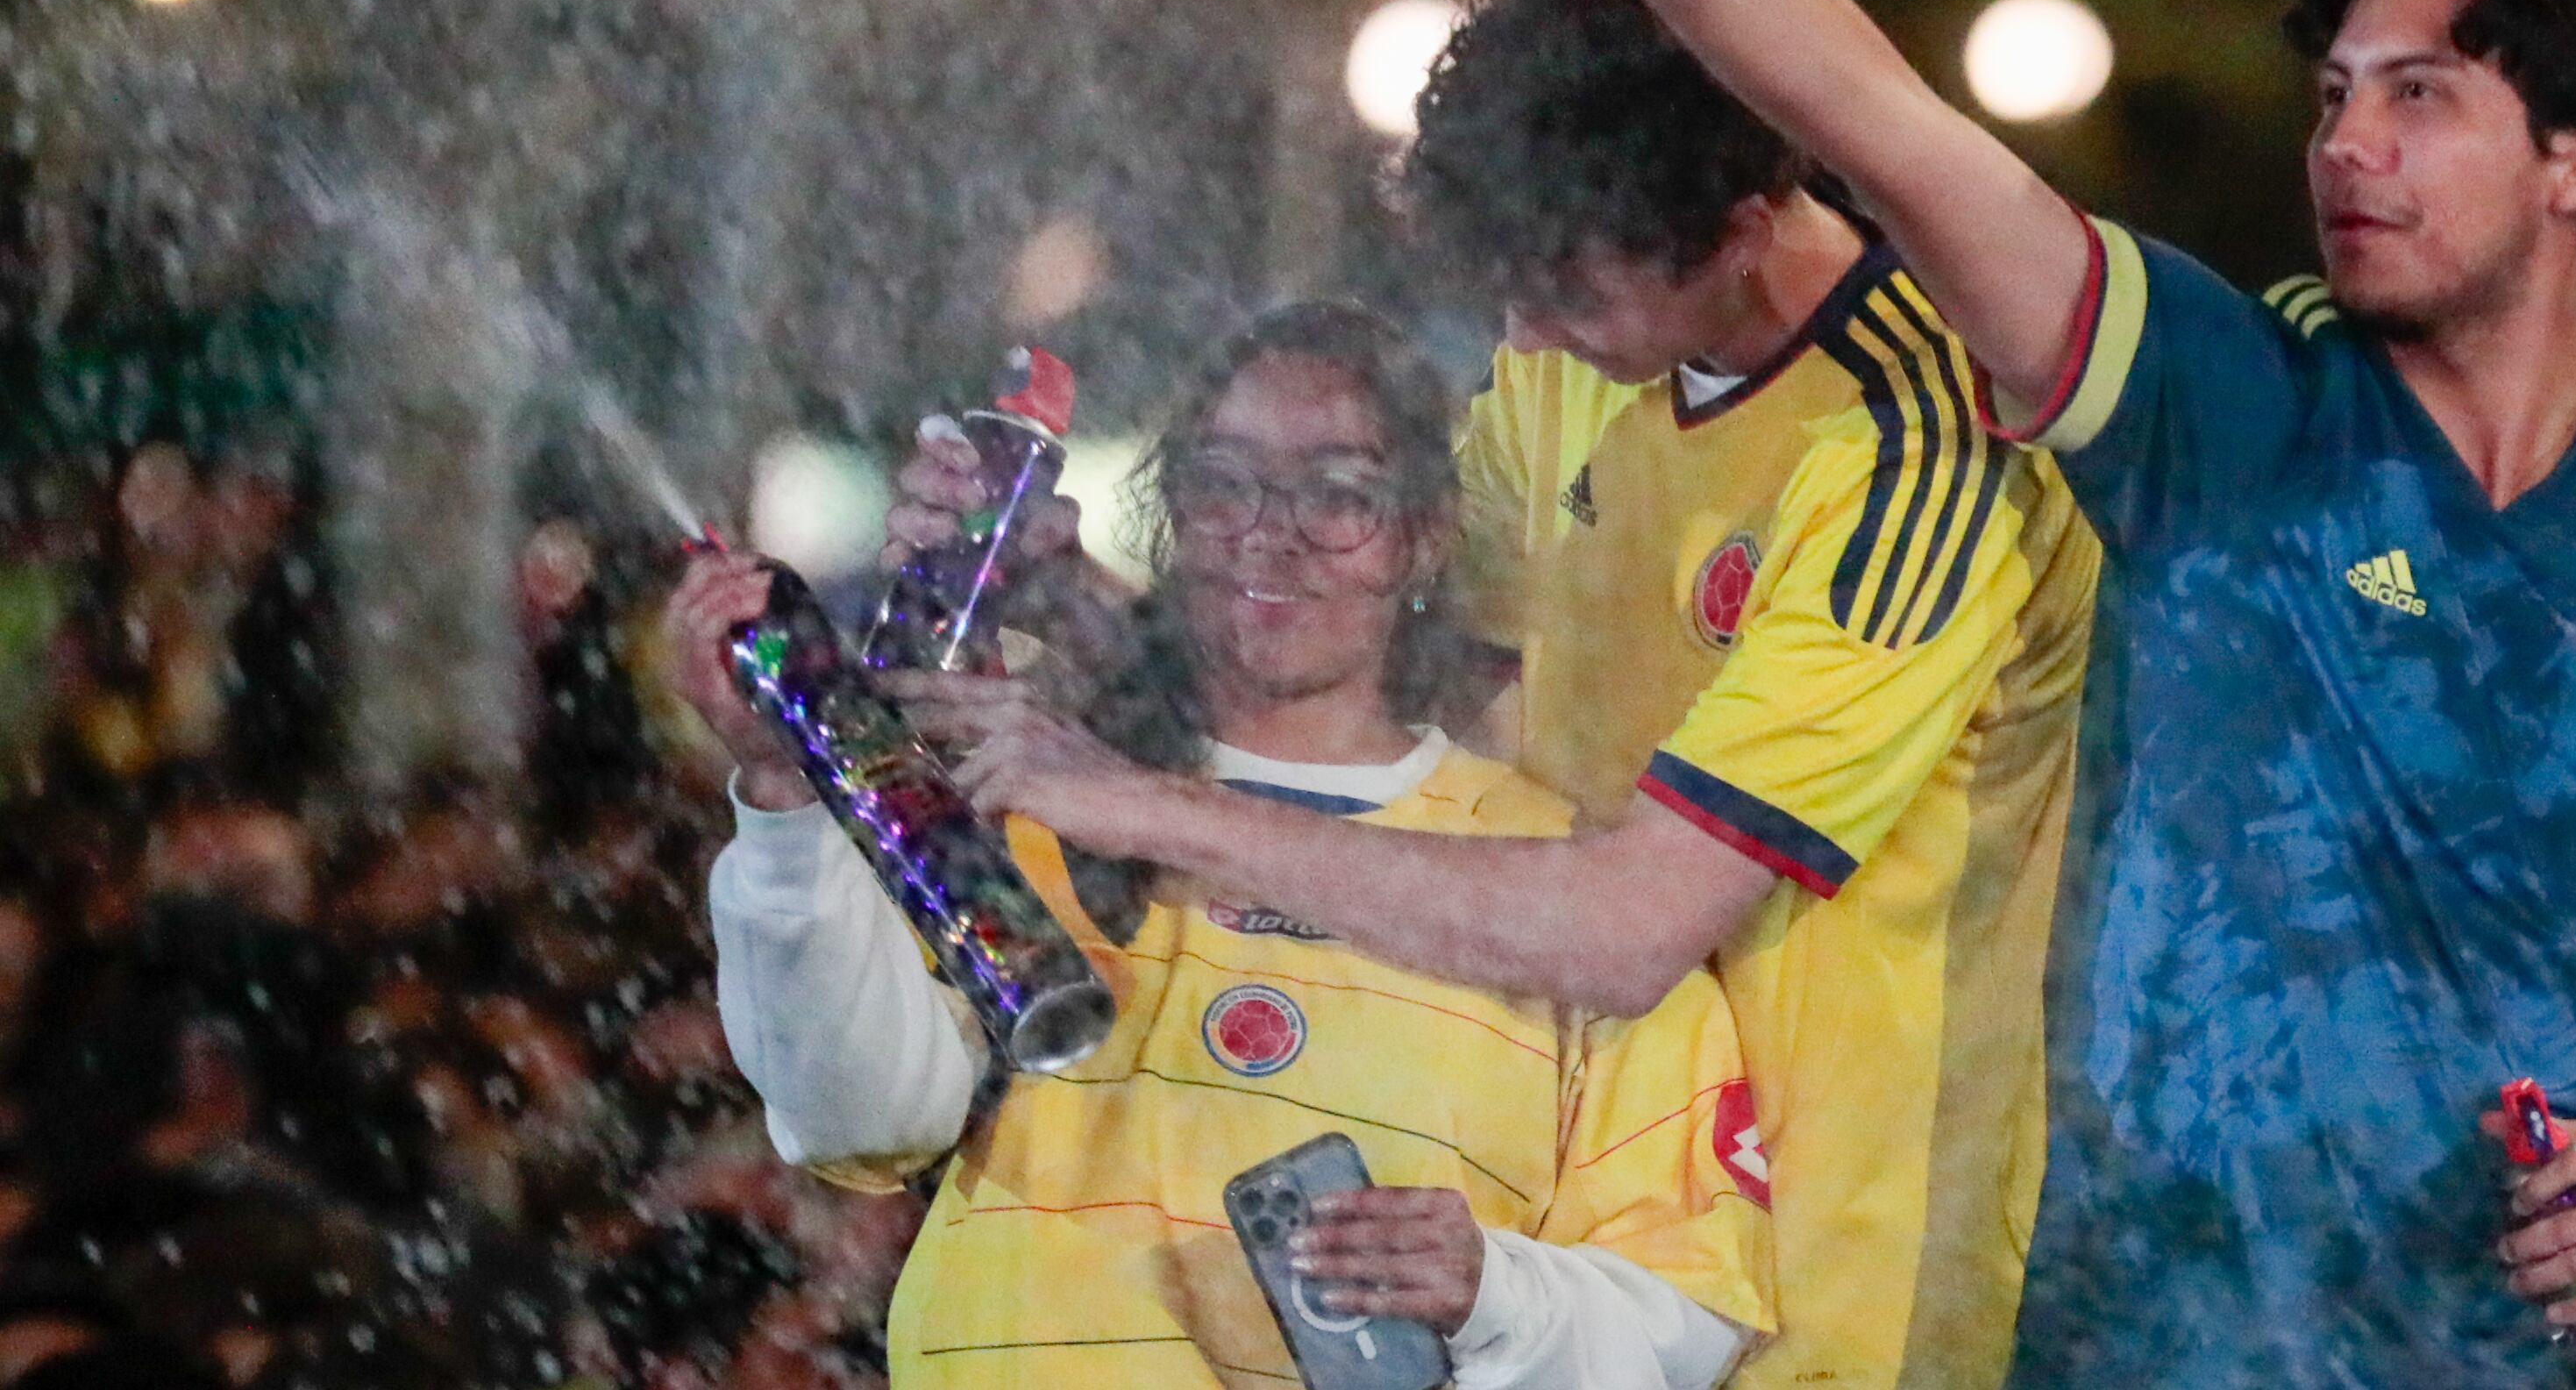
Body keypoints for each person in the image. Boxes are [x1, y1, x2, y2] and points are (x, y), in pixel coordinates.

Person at [1395, 0, 2576, 1390]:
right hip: (2145, 1342)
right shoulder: (2215, 403)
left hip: (2522, 1357)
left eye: (2418, 96)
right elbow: (1875, 116)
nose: (2343, 145)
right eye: (2331, 95)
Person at [904, 0, 2097, 1390]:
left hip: (1826, 1280)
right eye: (1508, 286)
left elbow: (1626, 927)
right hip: (1558, 1223)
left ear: (1740, 232)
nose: (1526, 333)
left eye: (1569, 289)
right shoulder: (1573, 365)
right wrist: (1072, 584)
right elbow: (1374, 642)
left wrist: (1147, 804)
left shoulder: (1922, 458)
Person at [666, 300, 1771, 1390]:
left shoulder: (1569, 889)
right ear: (1171, 506)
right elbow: (856, 1122)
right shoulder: (1033, 790)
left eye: (1340, 493)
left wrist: (1493, 1292)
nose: (1267, 531)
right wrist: (784, 793)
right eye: (1223, 483)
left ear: (1426, 537)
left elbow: (1688, 1326)